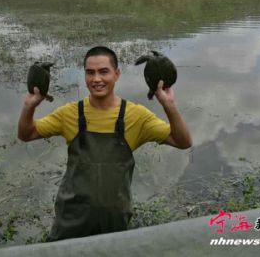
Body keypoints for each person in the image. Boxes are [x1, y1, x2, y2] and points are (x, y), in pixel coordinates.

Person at [18, 46, 192, 241]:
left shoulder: (137, 116)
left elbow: (182, 141)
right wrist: (29, 106)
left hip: (115, 221)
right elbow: (27, 134)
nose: (96, 79)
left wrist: (168, 105)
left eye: (104, 72)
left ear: (116, 74)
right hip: (70, 220)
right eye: (90, 73)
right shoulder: (69, 113)